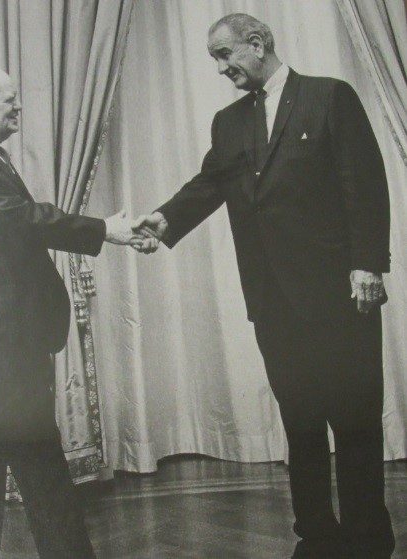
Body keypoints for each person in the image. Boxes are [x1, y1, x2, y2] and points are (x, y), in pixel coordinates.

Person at [133, 13, 394, 559]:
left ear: (258, 44)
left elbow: (365, 182)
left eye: (226, 55)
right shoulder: (228, 123)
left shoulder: (330, 97)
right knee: (300, 422)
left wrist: (368, 264)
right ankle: (317, 537)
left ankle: (369, 541)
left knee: (353, 421)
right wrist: (164, 218)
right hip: (272, 303)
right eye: (214, 60)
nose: (223, 69)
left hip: (341, 295)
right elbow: (209, 183)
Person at [0, 62, 154, 559]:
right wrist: (104, 230)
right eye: (8, 99)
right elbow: (24, 220)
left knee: (25, 467)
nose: (18, 106)